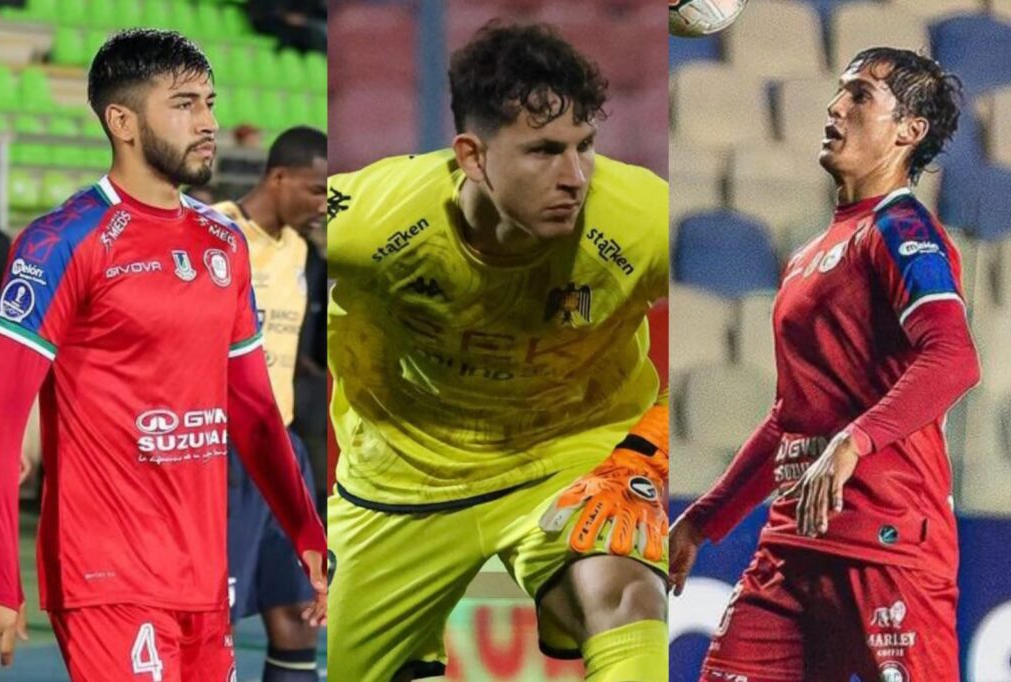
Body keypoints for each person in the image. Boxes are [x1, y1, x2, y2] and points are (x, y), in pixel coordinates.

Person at [326, 22, 669, 682]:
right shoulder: (369, 220)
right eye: (544, 151)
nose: (574, 176)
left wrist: (643, 452)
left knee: (624, 585)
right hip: (403, 474)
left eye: (584, 146)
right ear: (473, 156)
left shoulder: (640, 217)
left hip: (574, 451)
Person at [0, 29, 327, 678]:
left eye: (210, 102)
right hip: (107, 575)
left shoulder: (223, 243)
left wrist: (307, 532)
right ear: (123, 122)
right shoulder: (60, 242)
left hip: (203, 575)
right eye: (185, 104)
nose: (210, 123)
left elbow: (255, 413)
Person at [668, 48, 979, 682]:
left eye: (860, 96)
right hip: (792, 546)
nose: (835, 107)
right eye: (839, 93)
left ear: (909, 130)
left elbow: (953, 357)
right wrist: (707, 518)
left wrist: (853, 442)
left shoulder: (901, 229)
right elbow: (792, 414)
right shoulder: (812, 250)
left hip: (885, 544)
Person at [213, 125, 327, 682]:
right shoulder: (215, 232)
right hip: (225, 454)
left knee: (299, 614)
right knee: (215, 619)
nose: (323, 205)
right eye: (315, 189)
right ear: (278, 177)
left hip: (283, 449)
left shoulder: (303, 252)